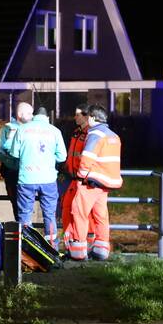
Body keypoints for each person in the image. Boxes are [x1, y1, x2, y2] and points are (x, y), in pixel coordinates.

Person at [63, 105, 122, 261]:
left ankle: (78, 251)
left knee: (79, 212)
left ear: (94, 118)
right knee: (100, 215)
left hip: (91, 182)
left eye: (88, 116)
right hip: (105, 183)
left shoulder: (95, 133)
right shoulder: (113, 135)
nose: (87, 119)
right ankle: (101, 249)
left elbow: (87, 158)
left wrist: (81, 177)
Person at [5, 103, 67, 246]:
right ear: (46, 117)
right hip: (48, 179)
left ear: (34, 117)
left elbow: (14, 153)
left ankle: (28, 247)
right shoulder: (54, 131)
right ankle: (52, 247)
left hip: (27, 178)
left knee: (25, 214)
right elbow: (62, 156)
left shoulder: (22, 130)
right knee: (49, 214)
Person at [61, 106, 94, 257]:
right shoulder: (77, 133)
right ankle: (71, 245)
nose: (75, 118)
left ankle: (87, 245)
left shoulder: (90, 134)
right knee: (67, 208)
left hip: (84, 181)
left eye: (77, 115)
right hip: (73, 178)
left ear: (86, 116)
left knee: (84, 213)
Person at [0, 105, 27, 221]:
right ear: (20, 114)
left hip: (26, 173)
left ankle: (23, 232)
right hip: (13, 173)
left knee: (23, 206)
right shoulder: (7, 129)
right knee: (17, 205)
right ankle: (22, 232)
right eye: (29, 114)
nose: (32, 117)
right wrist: (11, 163)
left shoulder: (31, 128)